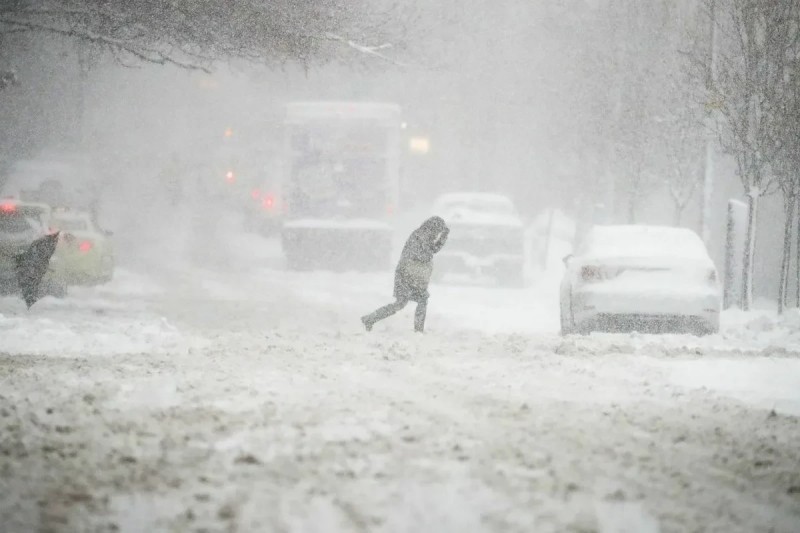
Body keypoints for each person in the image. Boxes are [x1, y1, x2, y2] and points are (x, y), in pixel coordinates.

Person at [362, 216, 449, 333]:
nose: (437, 234)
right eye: (438, 231)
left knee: (417, 300)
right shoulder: (419, 236)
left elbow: (433, 249)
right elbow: (425, 254)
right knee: (402, 303)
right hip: (406, 276)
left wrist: (443, 238)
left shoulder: (424, 236)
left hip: (414, 277)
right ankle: (371, 318)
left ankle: (371, 318)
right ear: (433, 228)